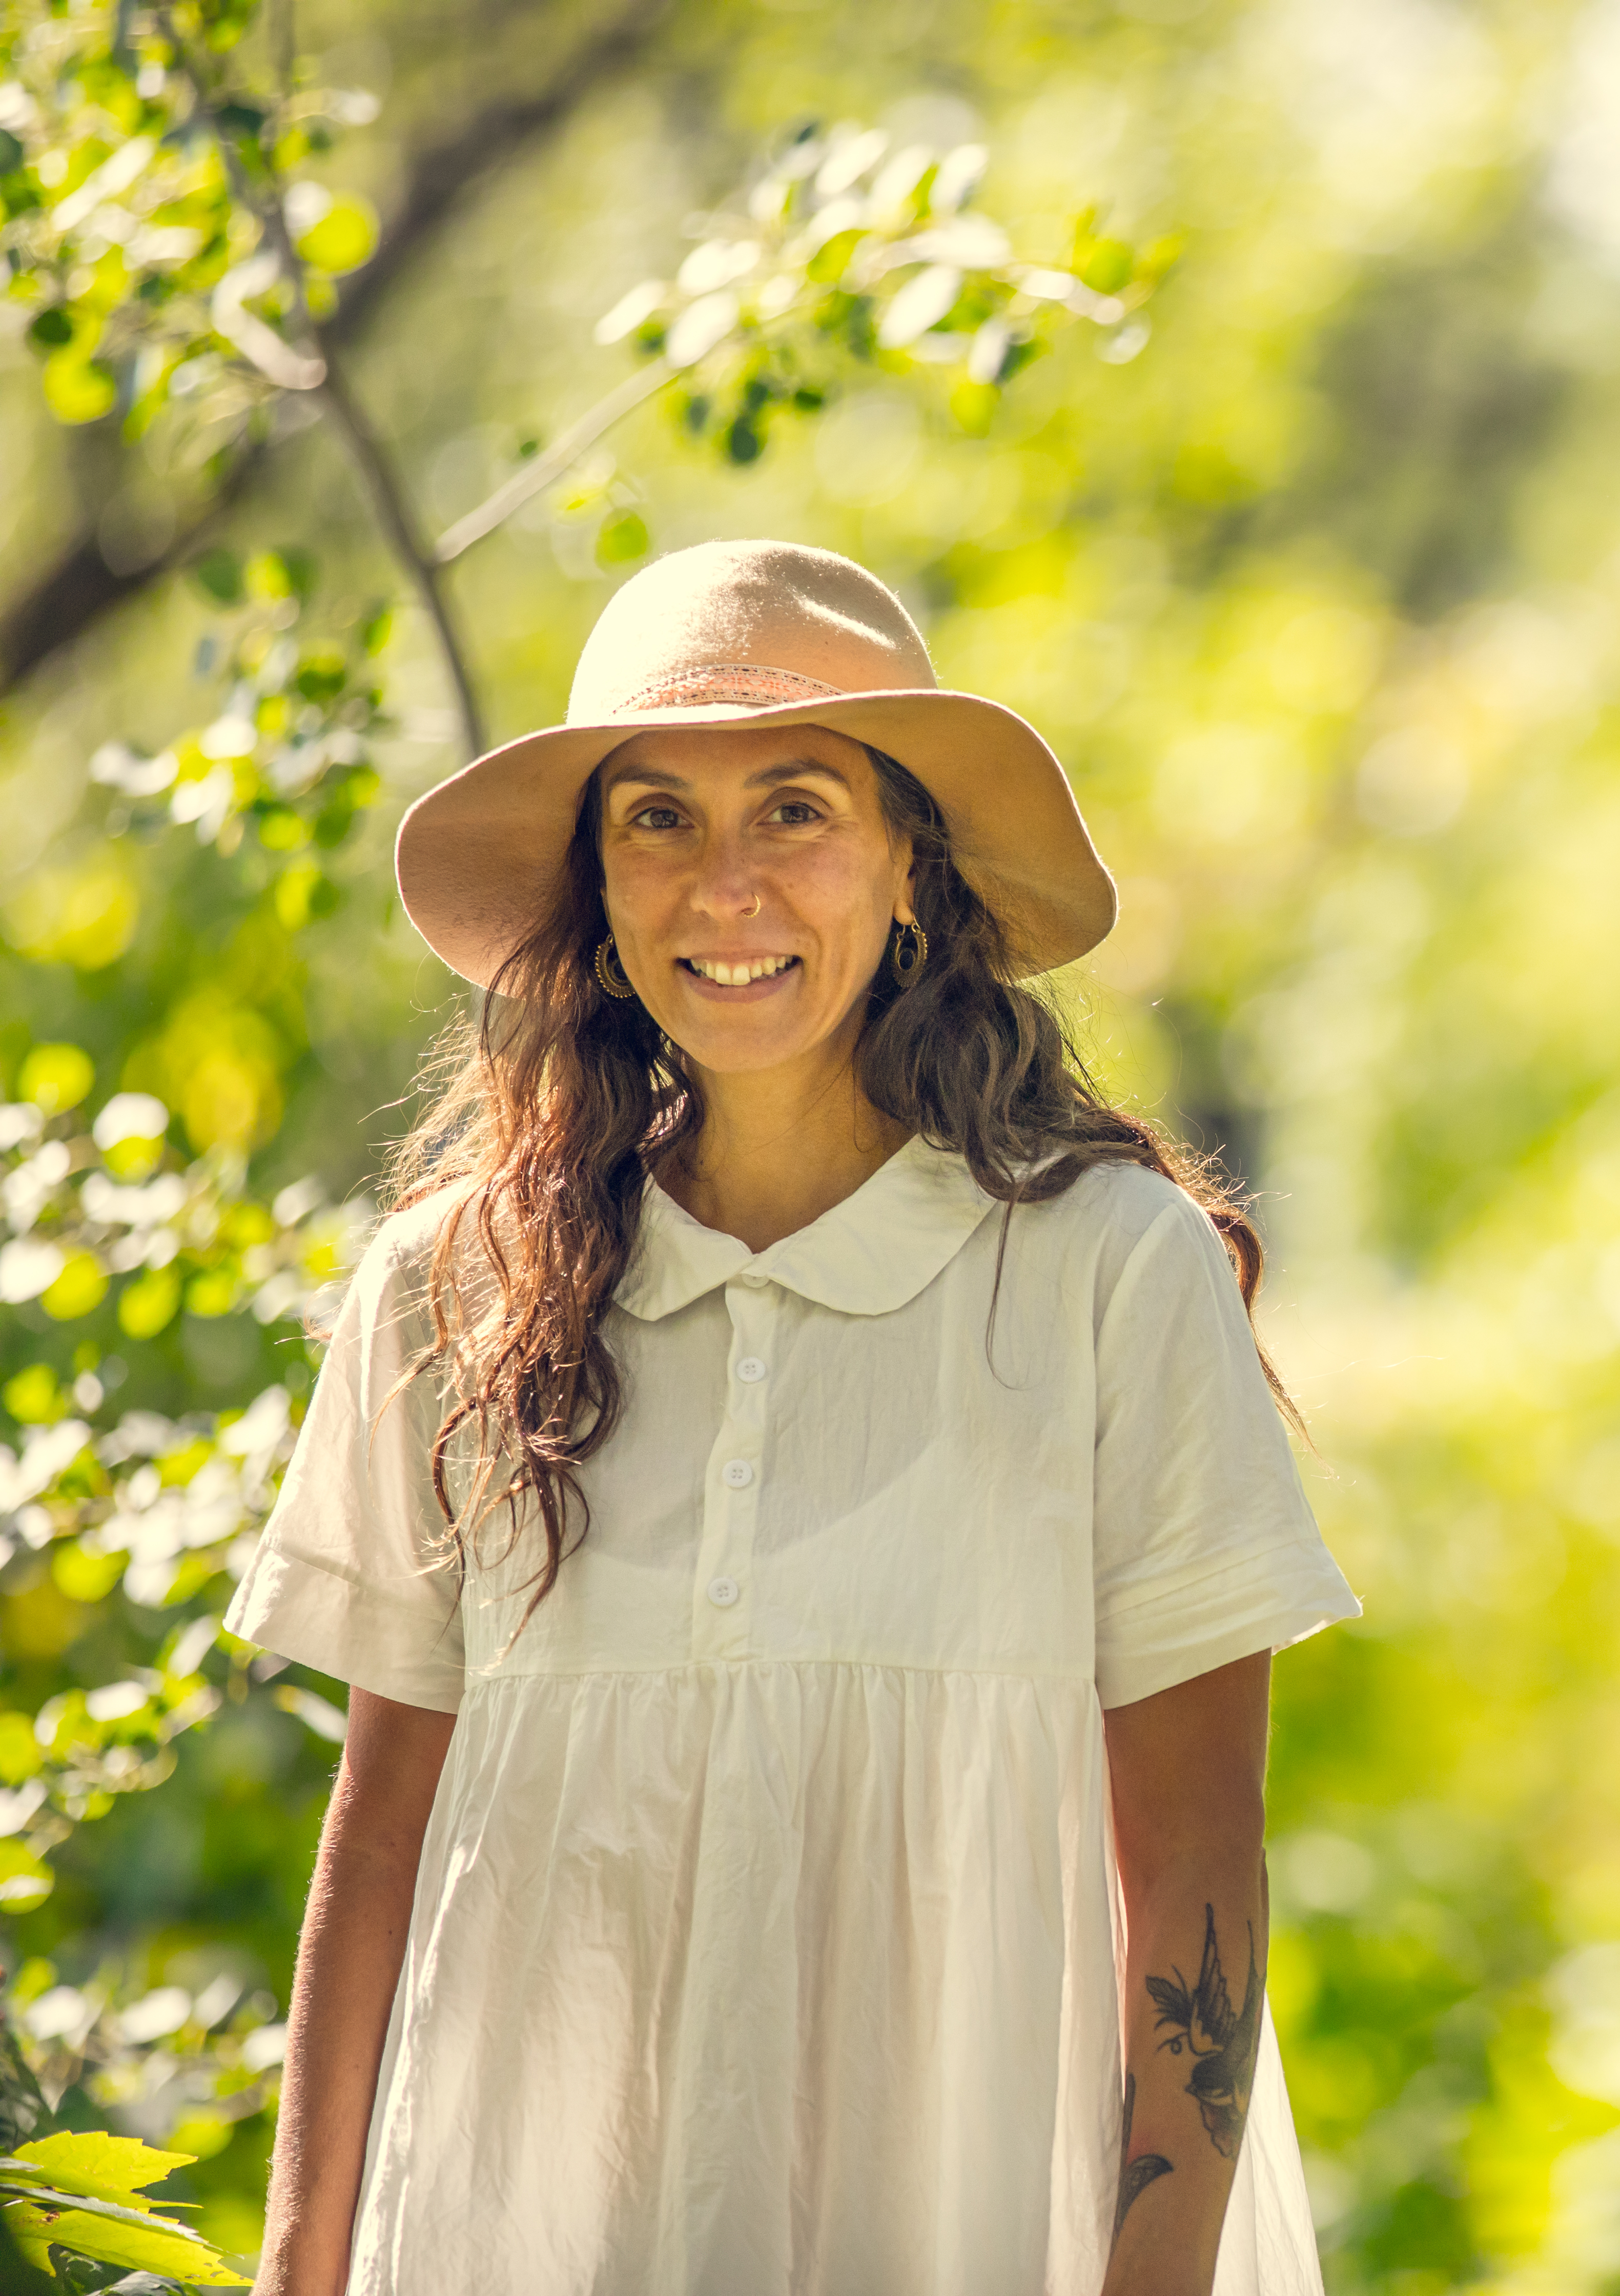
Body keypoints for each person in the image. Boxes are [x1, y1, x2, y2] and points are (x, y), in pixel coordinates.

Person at [225, 539, 1360, 2295]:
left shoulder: (1104, 1273)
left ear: (912, 867)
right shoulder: (451, 1294)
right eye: (657, 817)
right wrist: (298, 2274)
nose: (723, 887)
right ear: (598, 886)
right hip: (531, 2232)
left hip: (981, 2221)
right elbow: (379, 1834)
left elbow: (1198, 1851)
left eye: (799, 809)